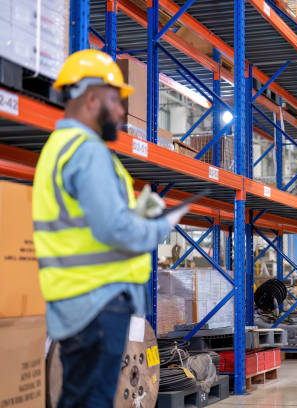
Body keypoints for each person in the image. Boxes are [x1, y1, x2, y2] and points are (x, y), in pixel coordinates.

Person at [32, 50, 188, 407]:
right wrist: (157, 225)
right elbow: (117, 231)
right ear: (90, 98)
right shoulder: (87, 152)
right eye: (115, 101)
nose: (121, 112)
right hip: (97, 305)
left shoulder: (61, 148)